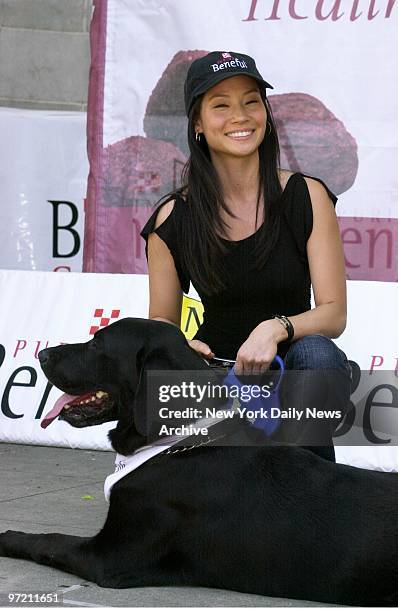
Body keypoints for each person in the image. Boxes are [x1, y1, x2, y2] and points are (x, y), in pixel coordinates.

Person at [141, 51, 351, 460]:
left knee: (319, 353)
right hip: (218, 374)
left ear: (266, 115)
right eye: (221, 105)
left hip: (292, 364)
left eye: (251, 101)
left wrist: (274, 328)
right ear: (198, 124)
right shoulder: (171, 217)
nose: (240, 116)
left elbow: (333, 314)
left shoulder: (306, 195)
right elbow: (160, 324)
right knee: (164, 378)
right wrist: (183, 348)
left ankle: (309, 496)